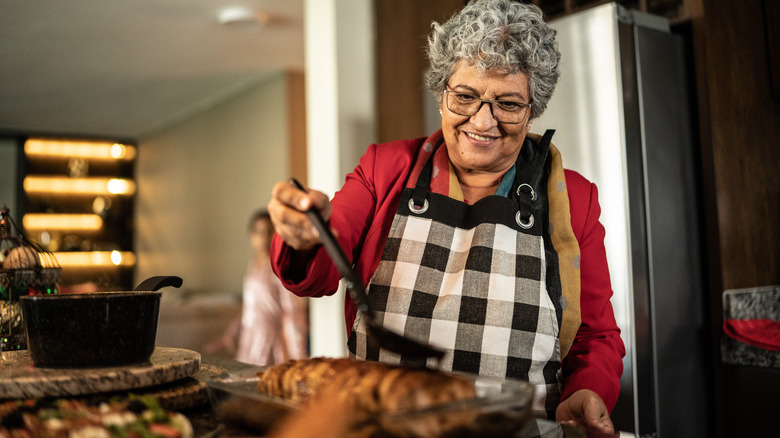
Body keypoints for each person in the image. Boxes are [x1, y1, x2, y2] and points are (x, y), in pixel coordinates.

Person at [267, 0, 624, 434]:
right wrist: (303, 236)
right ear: (441, 94)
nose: (483, 121)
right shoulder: (386, 169)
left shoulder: (573, 198)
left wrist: (587, 390)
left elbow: (594, 336)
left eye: (507, 103)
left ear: (533, 109)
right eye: (466, 97)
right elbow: (317, 273)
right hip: (381, 426)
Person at [205, 210, 308, 366]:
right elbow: (251, 309)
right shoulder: (253, 265)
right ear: (251, 236)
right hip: (250, 340)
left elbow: (292, 312)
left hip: (272, 344)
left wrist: (299, 356)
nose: (263, 238)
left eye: (268, 231)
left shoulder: (280, 267)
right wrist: (232, 332)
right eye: (258, 232)